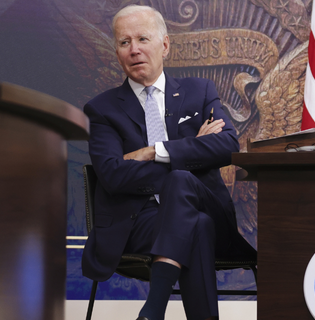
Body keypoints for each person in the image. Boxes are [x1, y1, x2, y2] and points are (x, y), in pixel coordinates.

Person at [82, 4, 255, 320]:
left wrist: (155, 151)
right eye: (124, 42)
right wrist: (192, 151)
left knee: (188, 196)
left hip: (211, 212)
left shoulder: (199, 92)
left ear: (164, 45)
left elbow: (227, 145)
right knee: (193, 219)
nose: (134, 50)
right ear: (116, 51)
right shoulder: (102, 109)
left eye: (143, 39)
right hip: (141, 222)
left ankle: (154, 306)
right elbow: (112, 175)